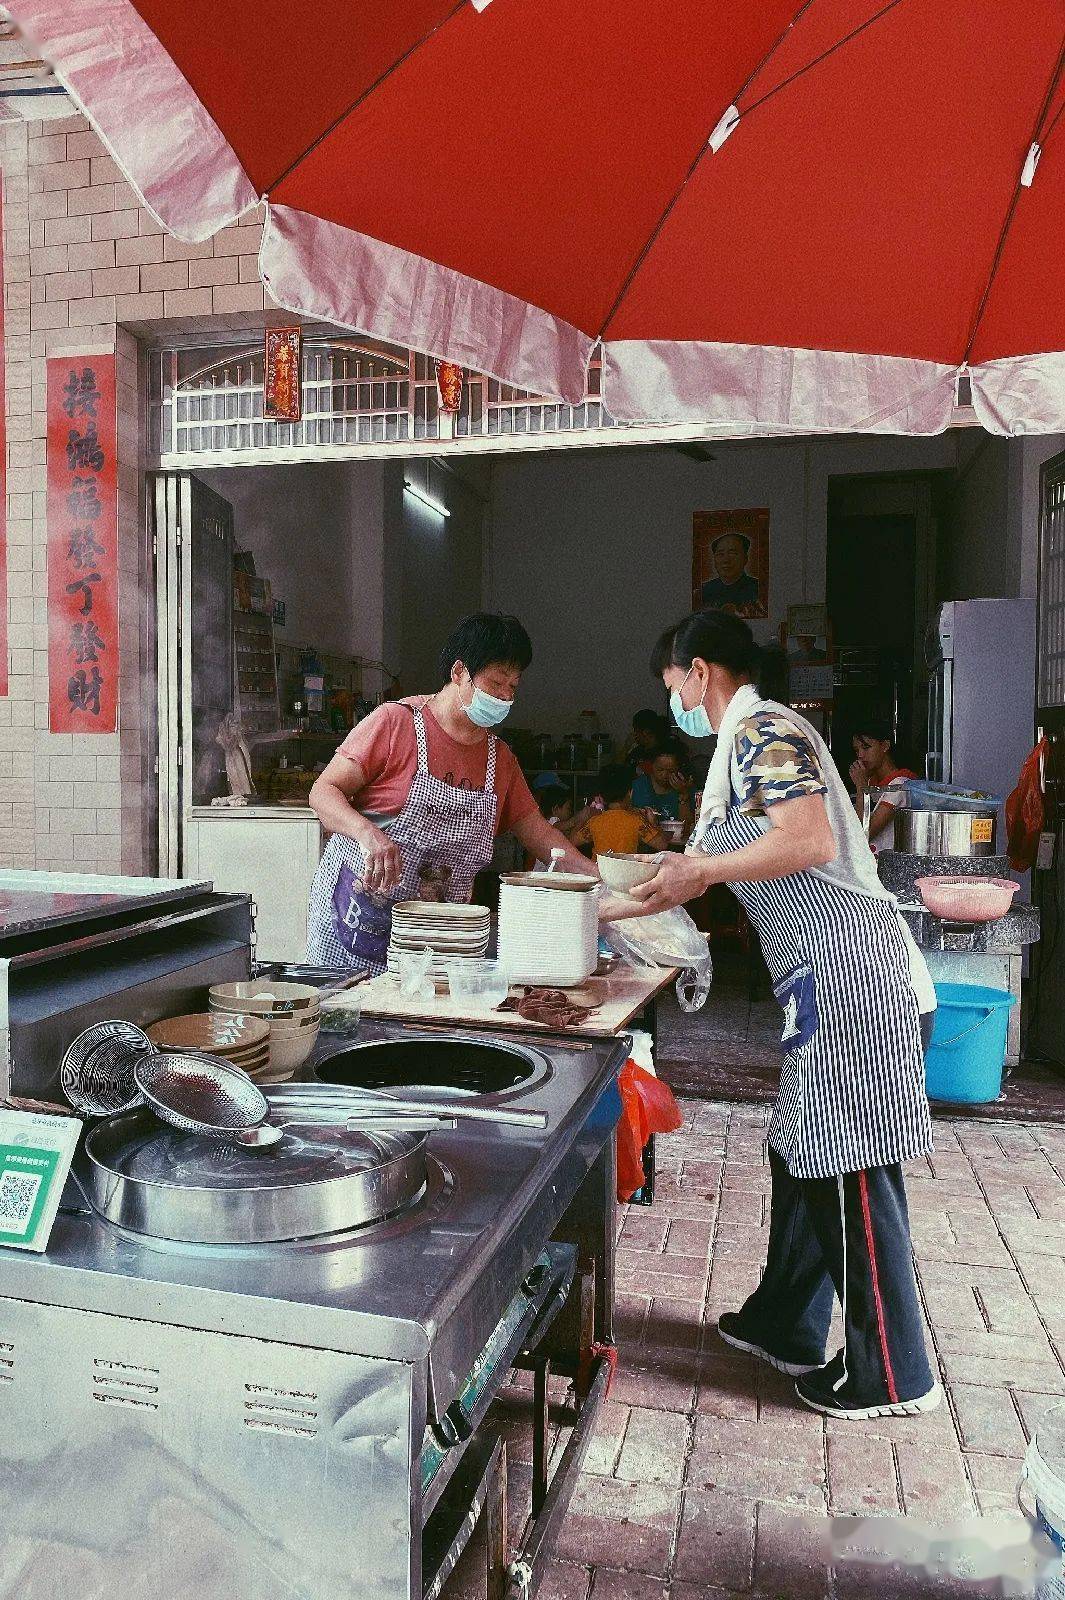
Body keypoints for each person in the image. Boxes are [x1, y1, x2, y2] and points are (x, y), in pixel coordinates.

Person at [605, 608, 940, 1421]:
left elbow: (809, 839)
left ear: (697, 670)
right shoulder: (738, 751)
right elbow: (718, 862)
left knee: (849, 1160)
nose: (674, 700)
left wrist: (700, 872)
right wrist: (627, 894)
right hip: (815, 981)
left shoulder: (761, 729)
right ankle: (785, 1321)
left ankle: (893, 1374)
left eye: (671, 683)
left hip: (853, 976)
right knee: (800, 1148)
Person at [306, 613, 594, 972]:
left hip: (439, 938)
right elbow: (323, 791)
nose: (505, 696)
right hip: (358, 927)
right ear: (459, 672)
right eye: (495, 683)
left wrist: (601, 879)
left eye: (513, 687)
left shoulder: (499, 759)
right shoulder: (395, 723)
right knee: (348, 1021)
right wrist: (368, 834)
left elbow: (539, 834)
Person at [850, 716, 917, 849]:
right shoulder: (870, 781)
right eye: (857, 750)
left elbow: (862, 835)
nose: (860, 755)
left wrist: (861, 788)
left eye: (866, 747)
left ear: (885, 746)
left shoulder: (900, 785)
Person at [572, 763, 668, 858]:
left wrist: (581, 819)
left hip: (598, 870)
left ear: (601, 797)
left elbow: (572, 842)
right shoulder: (637, 821)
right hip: (625, 872)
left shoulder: (594, 822)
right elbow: (662, 845)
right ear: (630, 793)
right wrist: (653, 823)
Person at [631, 739, 695, 839]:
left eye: (671, 771)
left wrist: (683, 794)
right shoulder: (638, 786)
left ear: (679, 769)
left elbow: (687, 828)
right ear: (651, 766)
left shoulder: (686, 788)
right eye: (660, 770)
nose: (664, 775)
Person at [700, 531, 762, 615]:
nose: (726, 560)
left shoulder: (758, 589)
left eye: (732, 553)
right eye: (720, 554)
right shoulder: (704, 590)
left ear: (745, 559)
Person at [624, 709, 670, 774]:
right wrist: (627, 747)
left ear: (645, 732)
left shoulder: (663, 754)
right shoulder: (638, 750)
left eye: (636, 731)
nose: (634, 734)